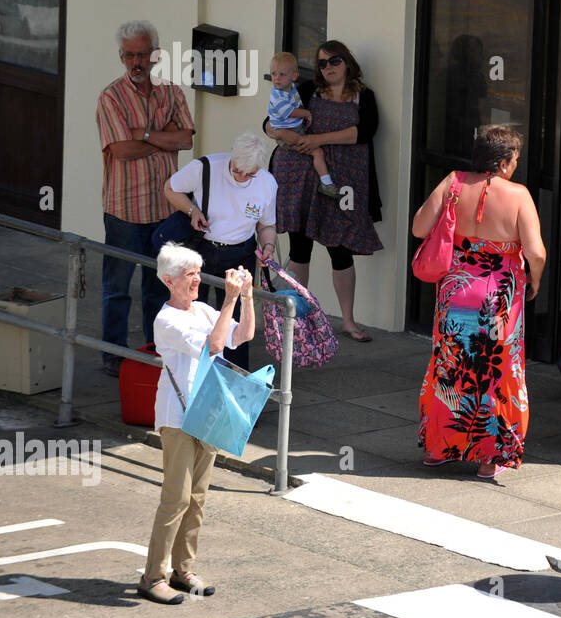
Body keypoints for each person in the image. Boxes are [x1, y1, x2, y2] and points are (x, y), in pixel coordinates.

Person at [412, 126, 546, 478]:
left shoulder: (453, 182)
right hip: (500, 293)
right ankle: (489, 458)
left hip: (456, 288)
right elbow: (535, 251)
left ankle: (439, 449)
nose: (516, 165)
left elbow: (418, 227)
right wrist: (535, 280)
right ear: (503, 163)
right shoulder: (518, 195)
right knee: (495, 371)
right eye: (515, 159)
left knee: (451, 364)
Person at [139, 242, 253, 605]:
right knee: (176, 498)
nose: (197, 280)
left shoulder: (204, 309)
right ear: (169, 280)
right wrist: (231, 299)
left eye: (198, 272)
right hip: (177, 416)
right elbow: (216, 345)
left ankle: (182, 569)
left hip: (207, 413)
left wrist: (247, 297)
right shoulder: (166, 319)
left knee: (198, 497)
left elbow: (242, 336)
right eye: (190, 274)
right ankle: (153, 575)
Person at [263, 40, 382, 343]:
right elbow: (271, 120)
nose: (328, 67)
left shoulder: (363, 97)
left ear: (348, 63)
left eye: (335, 61)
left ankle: (349, 321)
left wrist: (319, 140)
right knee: (300, 249)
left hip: (342, 184)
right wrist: (277, 132)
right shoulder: (306, 90)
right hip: (302, 179)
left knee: (339, 249)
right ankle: (298, 319)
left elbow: (364, 132)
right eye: (322, 63)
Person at [95, 19, 196, 376]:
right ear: (121, 56)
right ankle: (113, 356)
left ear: (155, 55)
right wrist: (161, 135)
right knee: (117, 288)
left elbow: (186, 139)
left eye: (142, 54)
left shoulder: (172, 91)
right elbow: (121, 150)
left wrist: (144, 132)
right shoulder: (111, 97)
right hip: (124, 208)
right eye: (129, 56)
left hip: (164, 209)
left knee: (159, 288)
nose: (136, 62)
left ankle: (158, 353)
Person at [163, 132, 277, 370]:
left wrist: (268, 246)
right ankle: (191, 370)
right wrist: (193, 211)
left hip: (241, 253)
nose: (242, 177)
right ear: (231, 158)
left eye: (250, 174)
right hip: (201, 248)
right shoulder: (206, 167)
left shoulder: (267, 183)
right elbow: (170, 189)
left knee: (236, 319)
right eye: (237, 171)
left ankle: (232, 375)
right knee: (192, 312)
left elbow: (266, 225)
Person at [266, 51, 340, 198]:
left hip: (296, 128)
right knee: (316, 152)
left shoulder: (291, 89)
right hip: (290, 133)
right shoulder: (277, 95)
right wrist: (306, 113)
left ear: (294, 76)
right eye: (274, 74)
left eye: (282, 74)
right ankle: (327, 184)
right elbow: (288, 112)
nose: (277, 78)